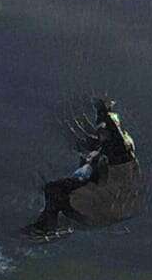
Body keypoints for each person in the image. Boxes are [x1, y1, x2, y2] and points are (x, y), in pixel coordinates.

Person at [24, 97, 138, 238]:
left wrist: (104, 110)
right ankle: (52, 222)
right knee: (56, 189)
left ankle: (47, 228)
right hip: (110, 199)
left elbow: (114, 134)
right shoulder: (108, 147)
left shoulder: (120, 149)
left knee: (55, 190)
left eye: (103, 131)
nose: (100, 134)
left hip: (109, 204)